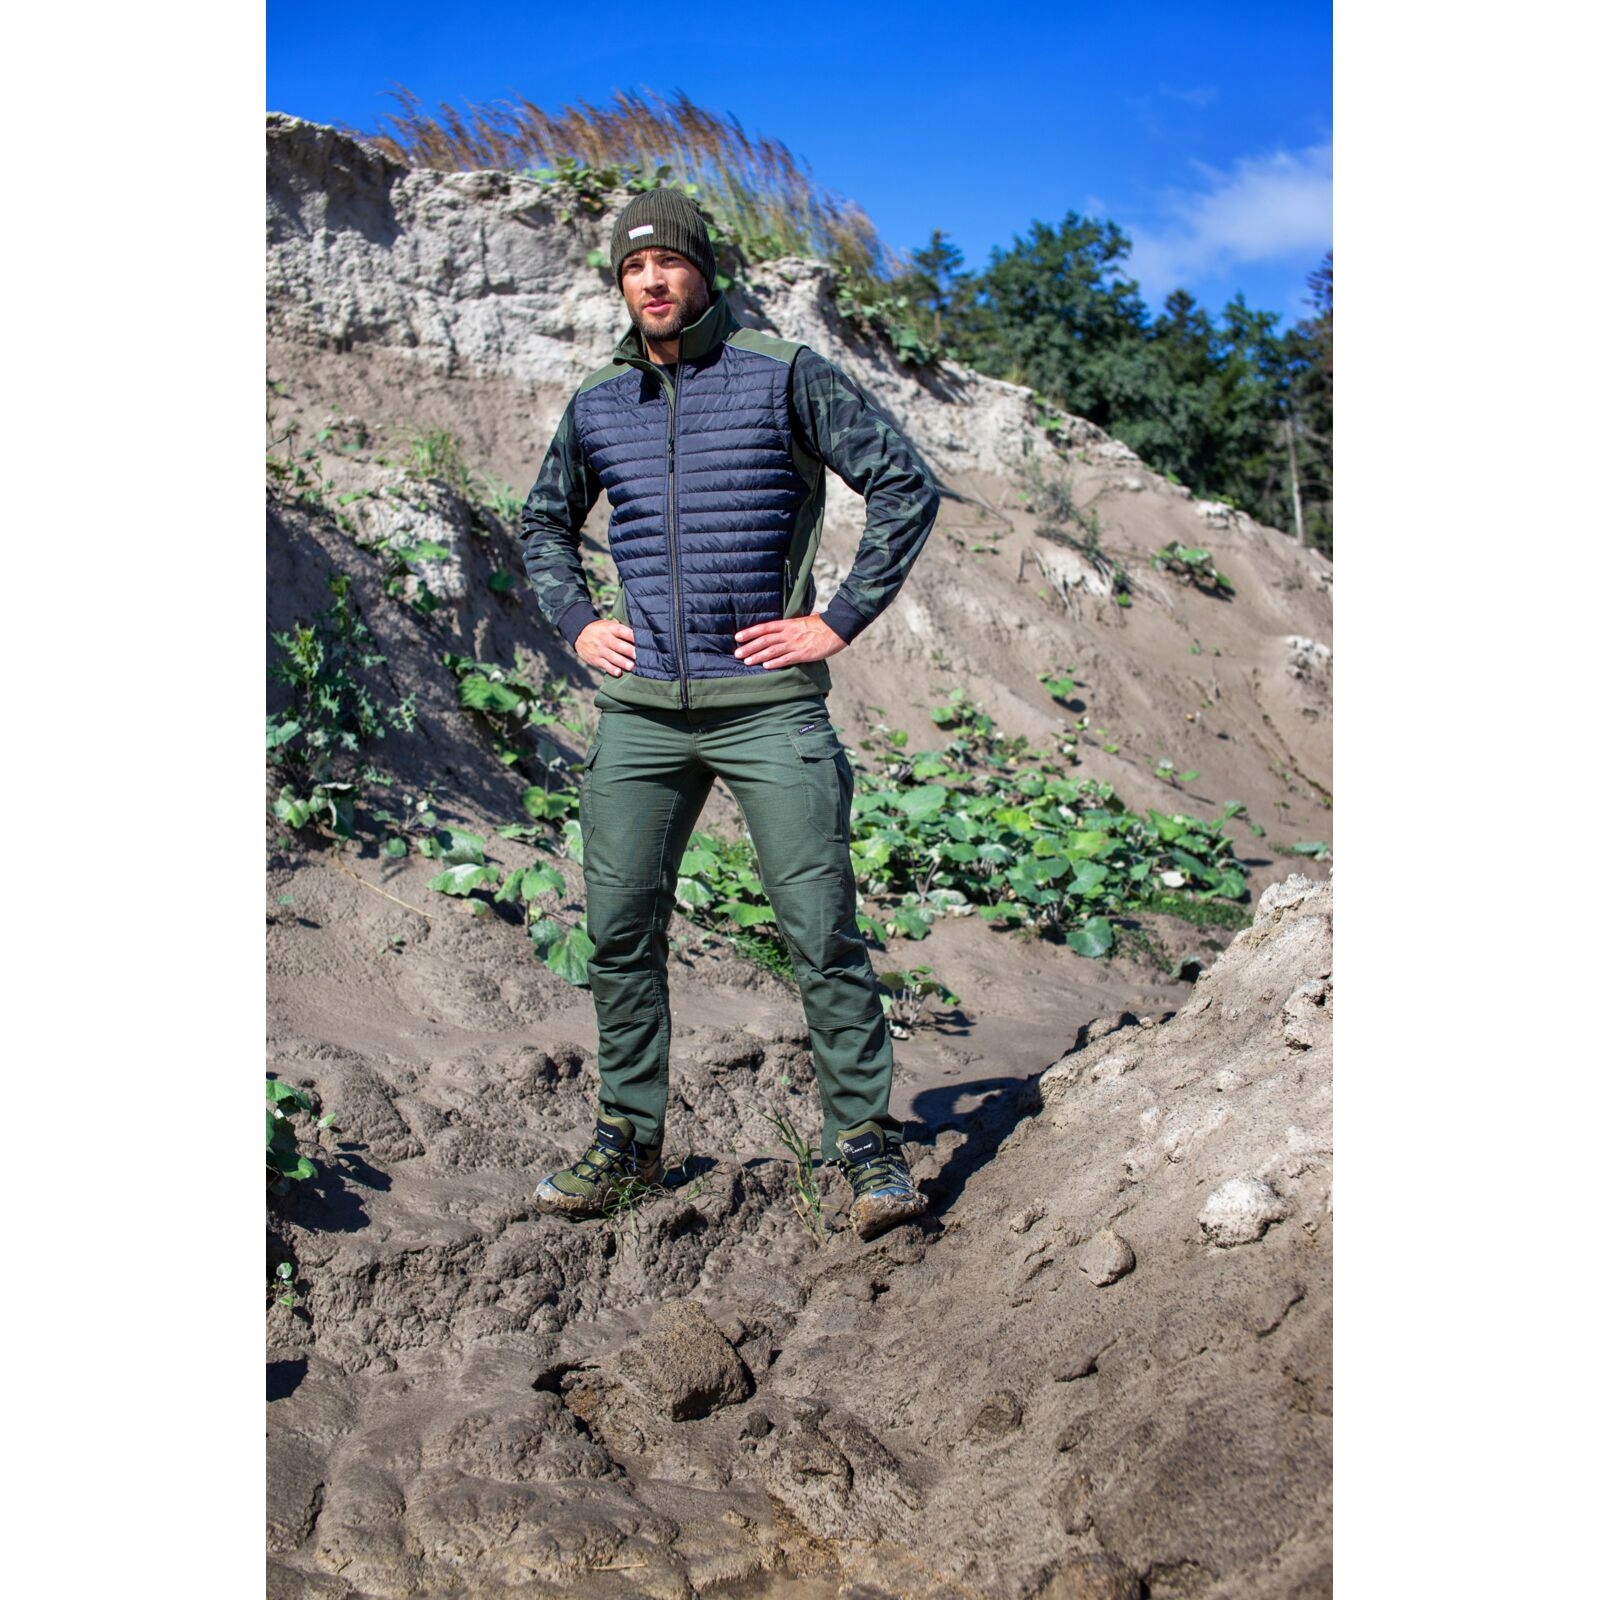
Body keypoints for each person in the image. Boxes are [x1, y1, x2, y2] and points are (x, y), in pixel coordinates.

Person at [518, 187, 940, 1240]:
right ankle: (628, 1141)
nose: (650, 280)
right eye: (631, 267)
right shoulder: (598, 400)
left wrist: (836, 621)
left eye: (666, 261)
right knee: (619, 931)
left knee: (819, 930)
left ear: (702, 268)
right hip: (642, 715)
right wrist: (577, 621)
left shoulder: (783, 372)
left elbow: (904, 485)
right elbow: (541, 526)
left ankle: (865, 1145)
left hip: (767, 707)